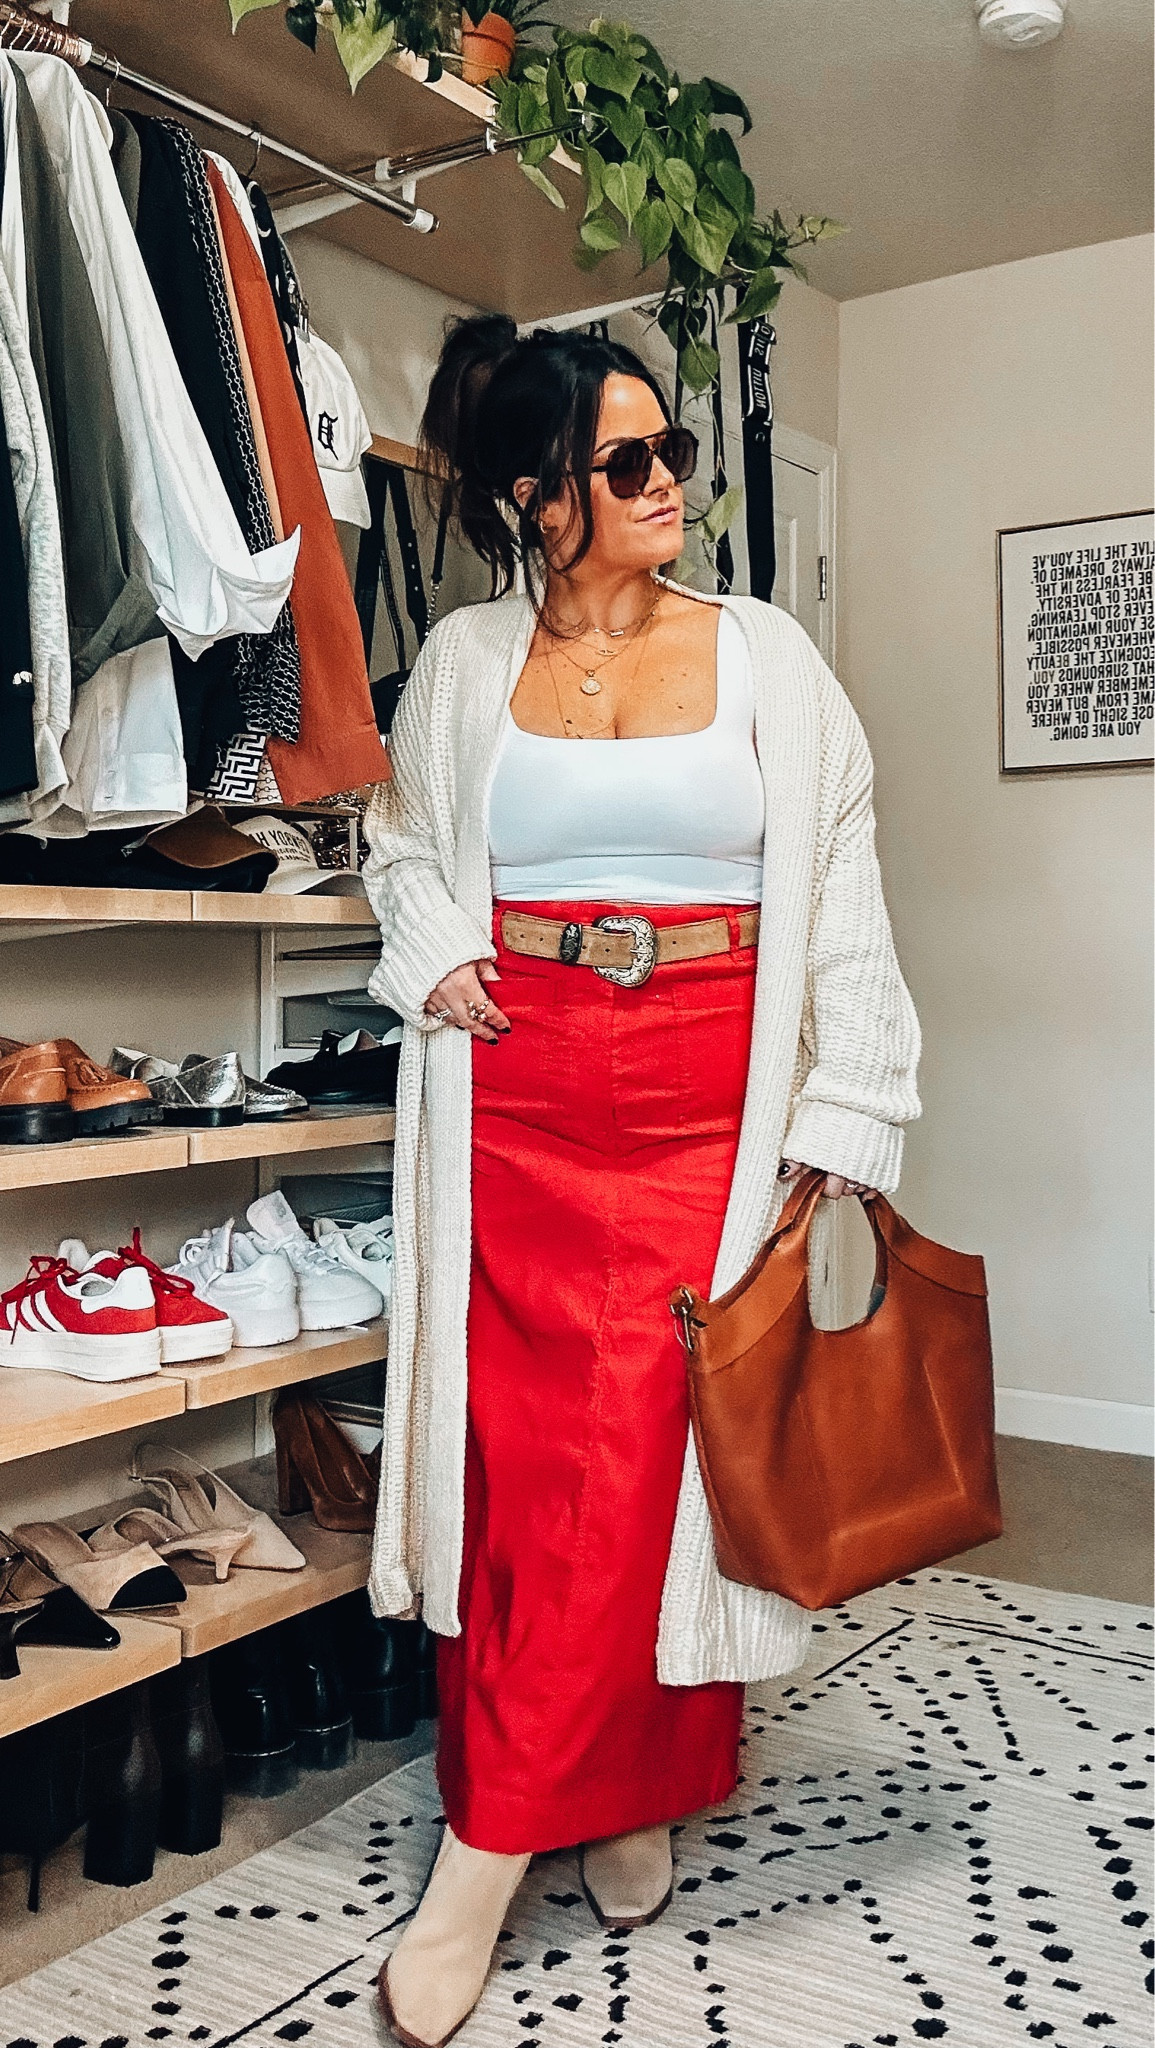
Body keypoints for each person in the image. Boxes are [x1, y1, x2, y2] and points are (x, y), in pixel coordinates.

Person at [361, 315, 921, 2048]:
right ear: (539, 496)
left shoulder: (764, 655)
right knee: (528, 1465)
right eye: (623, 461)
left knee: (645, 1453)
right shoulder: (460, 664)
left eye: (667, 445)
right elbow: (397, 843)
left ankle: (486, 1845)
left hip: (704, 1110)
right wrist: (441, 941)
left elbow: (836, 865)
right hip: (516, 1101)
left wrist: (843, 1108)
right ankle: (617, 1789)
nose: (668, 477)